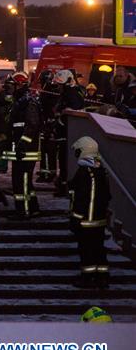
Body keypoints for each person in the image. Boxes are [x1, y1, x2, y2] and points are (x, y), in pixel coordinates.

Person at [69, 137, 111, 289]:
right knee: (98, 249)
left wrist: (76, 217)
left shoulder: (86, 172)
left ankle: (87, 278)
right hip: (98, 220)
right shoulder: (100, 171)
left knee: (86, 250)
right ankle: (102, 277)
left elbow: (82, 197)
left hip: (87, 220)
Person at [1, 72, 41, 218]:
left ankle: (23, 211)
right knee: (25, 181)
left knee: (21, 181)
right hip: (20, 148)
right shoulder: (19, 101)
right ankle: (33, 207)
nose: (9, 88)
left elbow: (32, 125)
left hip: (25, 150)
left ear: (20, 85)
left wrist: (23, 143)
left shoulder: (28, 102)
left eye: (12, 85)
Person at [52, 69, 86, 197]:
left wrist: (62, 114)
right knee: (63, 161)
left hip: (69, 135)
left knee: (66, 162)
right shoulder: (67, 94)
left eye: (60, 84)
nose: (58, 87)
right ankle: (64, 186)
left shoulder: (72, 94)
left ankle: (67, 188)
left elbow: (73, 112)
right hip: (64, 134)